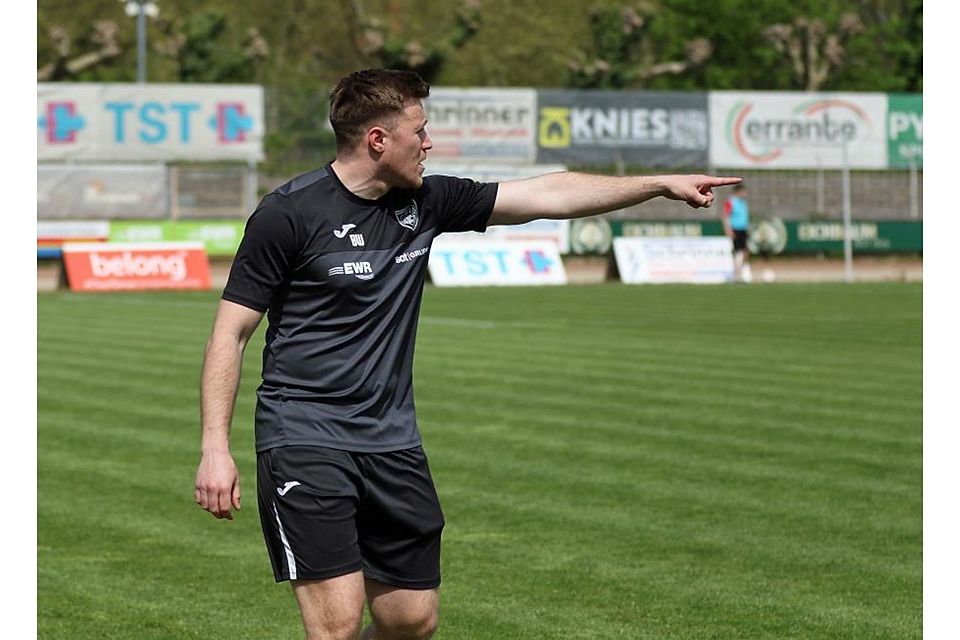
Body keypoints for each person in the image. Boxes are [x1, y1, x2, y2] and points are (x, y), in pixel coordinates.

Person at [194, 68, 740, 640]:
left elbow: (544, 193)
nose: (429, 144)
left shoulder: (428, 201)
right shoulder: (288, 214)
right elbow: (229, 334)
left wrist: (657, 183)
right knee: (337, 623)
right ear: (378, 141)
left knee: (412, 620)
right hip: (303, 435)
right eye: (419, 131)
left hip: (392, 441)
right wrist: (215, 449)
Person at [722, 183, 752, 282]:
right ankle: (736, 274)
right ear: (737, 192)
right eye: (743, 191)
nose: (745, 194)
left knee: (746, 251)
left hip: (743, 229)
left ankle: (743, 271)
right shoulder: (731, 202)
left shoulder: (743, 202)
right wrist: (728, 229)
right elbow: (726, 215)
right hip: (735, 229)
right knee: (737, 251)